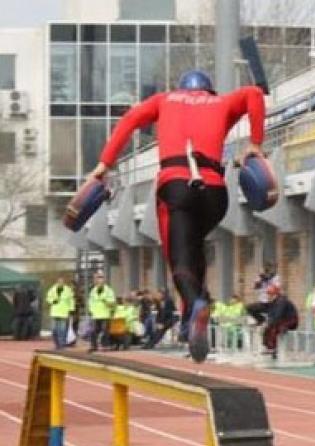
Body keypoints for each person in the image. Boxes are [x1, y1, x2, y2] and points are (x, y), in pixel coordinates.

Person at [89, 69, 266, 362]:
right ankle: (192, 314)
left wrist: (105, 163)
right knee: (194, 245)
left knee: (180, 260)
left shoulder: (163, 100)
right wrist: (255, 144)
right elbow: (255, 94)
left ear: (180, 89)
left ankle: (195, 305)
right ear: (208, 90)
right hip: (214, 192)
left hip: (176, 186)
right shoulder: (220, 103)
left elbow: (129, 120)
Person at [262, 285, 299, 360]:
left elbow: (278, 314)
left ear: (274, 294)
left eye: (269, 294)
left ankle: (273, 348)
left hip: (291, 320)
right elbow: (271, 314)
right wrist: (267, 323)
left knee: (275, 328)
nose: (268, 296)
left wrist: (270, 323)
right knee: (267, 328)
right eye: (268, 294)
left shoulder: (281, 301)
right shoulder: (273, 302)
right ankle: (269, 347)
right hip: (283, 320)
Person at [86, 272, 116, 352]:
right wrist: (91, 310)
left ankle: (105, 346)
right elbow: (90, 301)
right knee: (93, 331)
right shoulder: (93, 291)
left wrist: (106, 301)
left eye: (100, 278)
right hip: (96, 314)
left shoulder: (109, 290)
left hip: (105, 314)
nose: (99, 280)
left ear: (103, 280)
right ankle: (93, 346)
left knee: (105, 331)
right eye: (97, 278)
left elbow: (112, 302)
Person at [46, 276, 75, 350]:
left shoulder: (68, 290)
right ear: (57, 282)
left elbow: (71, 300)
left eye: (62, 282)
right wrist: (52, 301)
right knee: (54, 330)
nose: (60, 283)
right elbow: (48, 298)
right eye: (59, 281)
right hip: (54, 312)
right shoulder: (52, 289)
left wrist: (71, 309)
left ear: (63, 282)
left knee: (62, 330)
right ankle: (57, 344)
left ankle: (62, 345)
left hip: (63, 312)